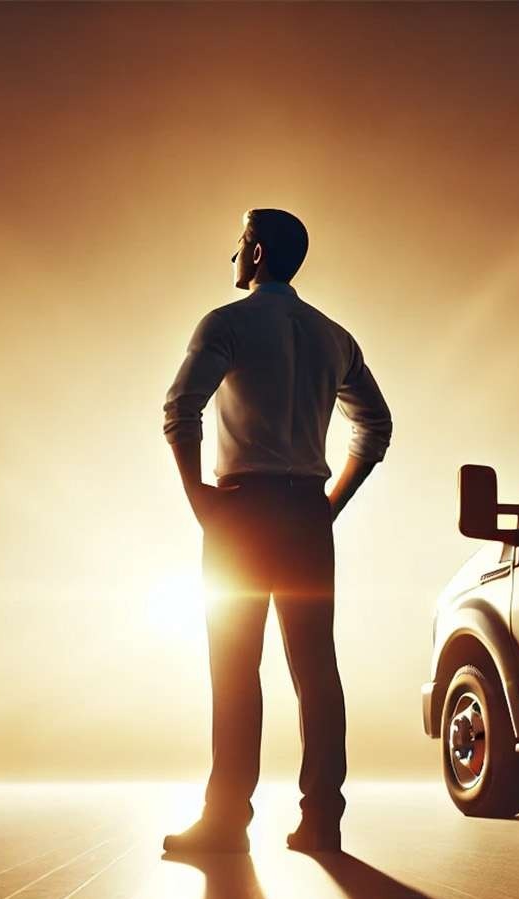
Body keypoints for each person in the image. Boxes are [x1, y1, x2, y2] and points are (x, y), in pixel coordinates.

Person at [160, 208, 393, 855]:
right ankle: (323, 819)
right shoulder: (333, 337)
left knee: (235, 667)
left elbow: (181, 409)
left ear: (256, 253)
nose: (232, 255)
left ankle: (227, 817)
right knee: (315, 668)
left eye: (238, 244)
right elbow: (377, 427)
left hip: (241, 512)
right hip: (305, 517)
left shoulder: (227, 324)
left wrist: (198, 499)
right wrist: (330, 503)